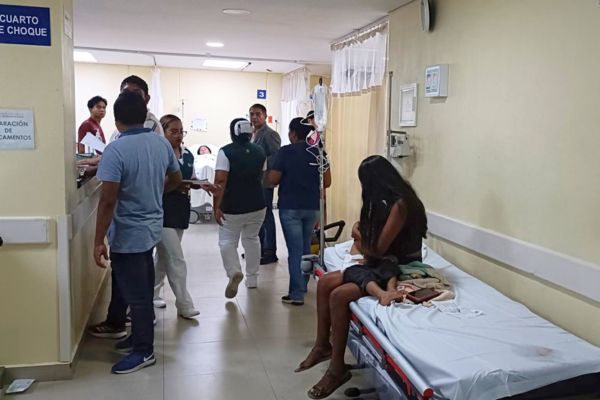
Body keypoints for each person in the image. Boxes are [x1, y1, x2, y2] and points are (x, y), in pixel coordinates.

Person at [296, 155, 428, 399]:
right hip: (384, 260)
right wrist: (363, 236)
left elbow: (376, 249)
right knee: (325, 282)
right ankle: (322, 346)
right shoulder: (388, 201)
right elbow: (376, 245)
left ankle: (337, 369)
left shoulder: (401, 205)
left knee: (339, 295)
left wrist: (357, 233)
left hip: (399, 266)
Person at [91, 91, 182, 374]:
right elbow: (176, 178)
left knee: (137, 294)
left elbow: (108, 201)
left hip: (128, 232)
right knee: (141, 284)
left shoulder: (115, 150)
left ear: (116, 120)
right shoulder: (160, 143)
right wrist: (154, 192)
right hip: (151, 226)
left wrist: (98, 240)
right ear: (144, 116)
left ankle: (144, 350)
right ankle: (138, 338)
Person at [152, 115, 217, 317]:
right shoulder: (158, 154)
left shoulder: (187, 154)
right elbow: (157, 184)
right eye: (173, 131)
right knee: (176, 258)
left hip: (180, 208)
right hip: (162, 209)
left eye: (181, 131)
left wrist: (200, 184)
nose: (179, 135)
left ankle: (151, 294)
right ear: (162, 132)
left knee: (164, 258)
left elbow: (192, 177)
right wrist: (179, 183)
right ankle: (184, 304)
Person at [269, 117, 331, 306]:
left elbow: (273, 179)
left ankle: (296, 294)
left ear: (293, 134)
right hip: (312, 207)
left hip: (291, 207)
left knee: (295, 250)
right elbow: (327, 182)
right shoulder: (319, 152)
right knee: (305, 248)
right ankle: (302, 285)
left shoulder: (285, 152)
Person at [213, 118, 266, 298]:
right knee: (252, 239)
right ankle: (252, 279)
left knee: (227, 241)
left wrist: (216, 205)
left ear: (232, 133)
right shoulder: (260, 151)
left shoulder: (225, 152)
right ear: (250, 132)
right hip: (258, 205)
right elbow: (261, 176)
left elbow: (220, 180)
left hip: (232, 206)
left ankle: (234, 271)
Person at [249, 103, 281, 264]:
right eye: (252, 114)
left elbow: (275, 157)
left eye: (258, 114)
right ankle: (259, 248)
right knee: (257, 216)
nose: (254, 117)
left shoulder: (270, 134)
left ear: (265, 116)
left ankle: (270, 251)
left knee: (267, 216)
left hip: (265, 181)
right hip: (254, 181)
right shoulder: (251, 134)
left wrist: (258, 162)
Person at [109, 75, 164, 141]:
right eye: (126, 93)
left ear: (146, 99)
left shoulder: (151, 125)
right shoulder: (121, 124)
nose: (130, 97)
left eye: (136, 94)